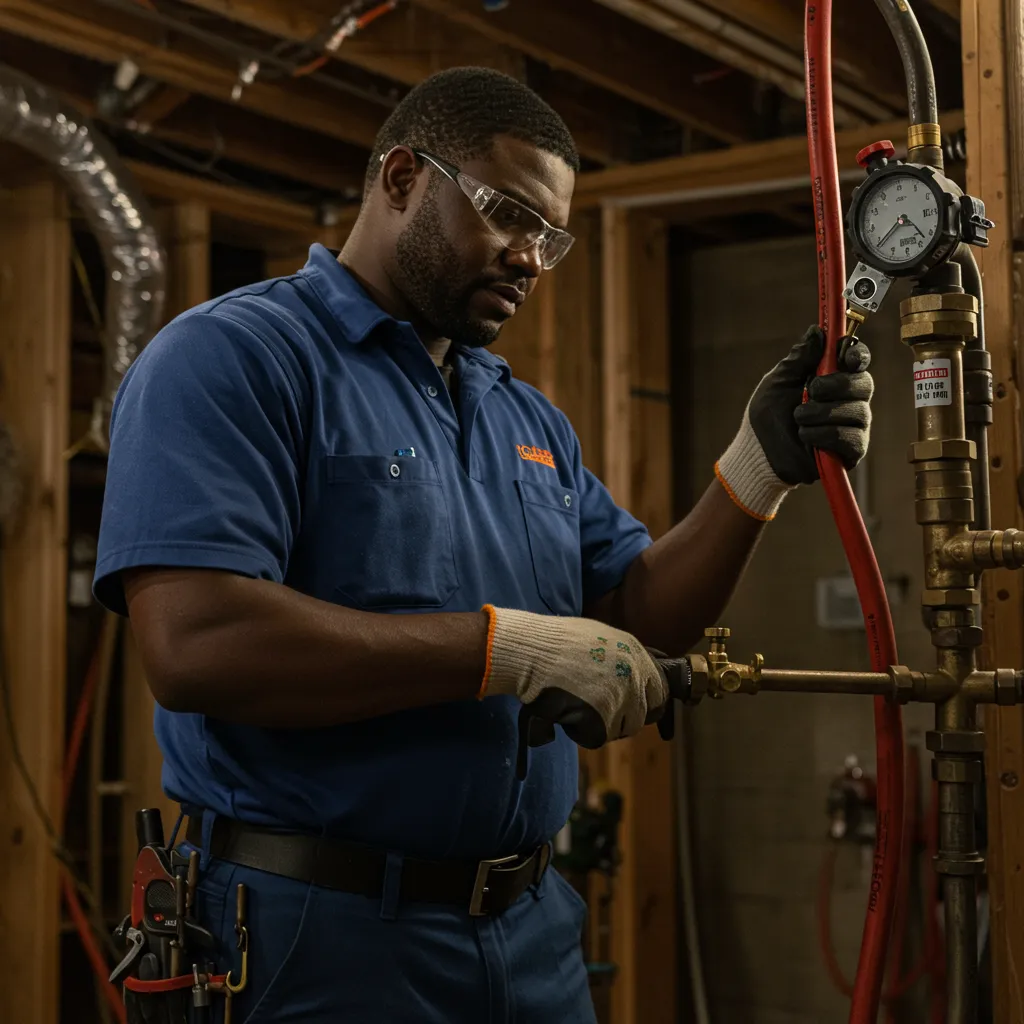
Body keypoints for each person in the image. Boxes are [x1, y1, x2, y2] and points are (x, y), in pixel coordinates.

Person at [95, 66, 873, 1024]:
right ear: (401, 178)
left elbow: (635, 610)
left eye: (551, 236)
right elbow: (196, 644)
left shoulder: (522, 414)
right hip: (318, 934)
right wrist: (510, 651)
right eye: (507, 213)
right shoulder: (234, 359)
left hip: (531, 929)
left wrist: (760, 465)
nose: (531, 257)